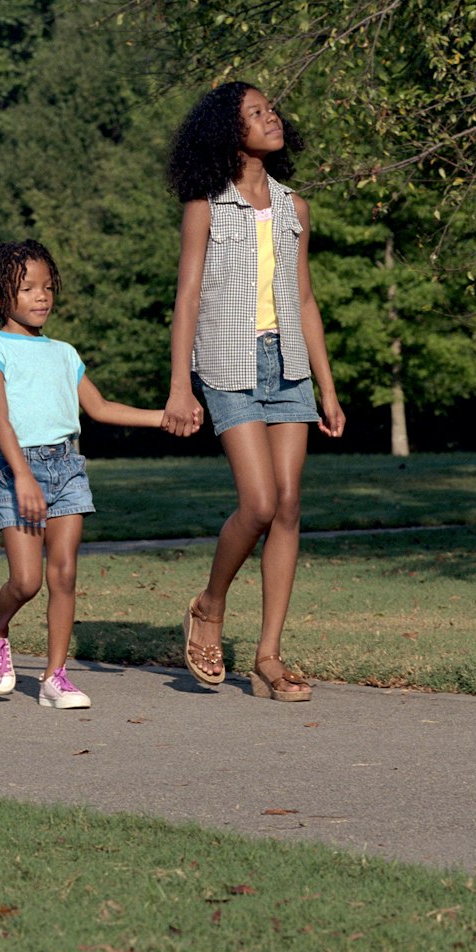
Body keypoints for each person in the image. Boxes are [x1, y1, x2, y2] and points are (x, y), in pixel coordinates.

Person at [161, 83, 346, 702]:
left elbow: (304, 299)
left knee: (289, 505)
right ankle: (210, 605)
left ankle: (267, 655)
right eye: (256, 113)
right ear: (228, 131)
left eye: (271, 110)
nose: (273, 119)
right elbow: (187, 299)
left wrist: (327, 386)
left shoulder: (295, 208)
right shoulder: (206, 206)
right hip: (229, 366)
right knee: (260, 503)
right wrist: (179, 384)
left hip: (289, 366)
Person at [0, 241, 166, 710]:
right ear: (1, 295)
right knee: (26, 582)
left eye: (48, 287)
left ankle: (55, 677)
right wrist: (22, 477)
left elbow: (99, 407)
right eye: (28, 288)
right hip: (18, 468)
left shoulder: (63, 352)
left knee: (64, 575)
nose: (42, 296)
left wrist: (164, 416)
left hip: (67, 467)